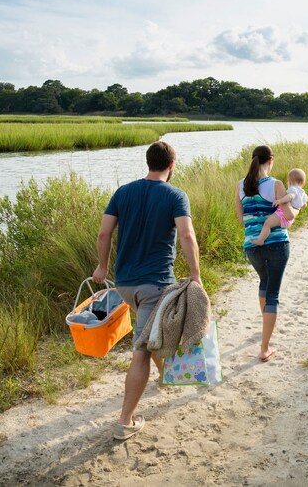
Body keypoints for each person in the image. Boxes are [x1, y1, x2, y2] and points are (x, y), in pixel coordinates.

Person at [93, 141, 201, 441]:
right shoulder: (176, 195)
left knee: (149, 332)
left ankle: (166, 379)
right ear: (172, 165)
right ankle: (125, 422)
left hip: (124, 283)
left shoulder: (123, 191)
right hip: (155, 284)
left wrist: (102, 267)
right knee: (141, 350)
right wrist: (195, 275)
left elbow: (104, 233)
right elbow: (187, 235)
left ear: (148, 162)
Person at [235, 145, 290, 362]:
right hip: (276, 243)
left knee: (263, 283)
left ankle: (266, 326)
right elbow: (287, 215)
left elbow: (242, 221)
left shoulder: (241, 185)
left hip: (252, 246)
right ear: (270, 161)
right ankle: (265, 348)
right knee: (273, 293)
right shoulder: (276, 184)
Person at [251, 167, 308, 246]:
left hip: (282, 214)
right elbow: (304, 204)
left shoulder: (293, 189)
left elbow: (290, 196)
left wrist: (280, 200)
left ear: (290, 182)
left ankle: (261, 240)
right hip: (291, 218)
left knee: (267, 223)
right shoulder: (303, 193)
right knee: (272, 224)